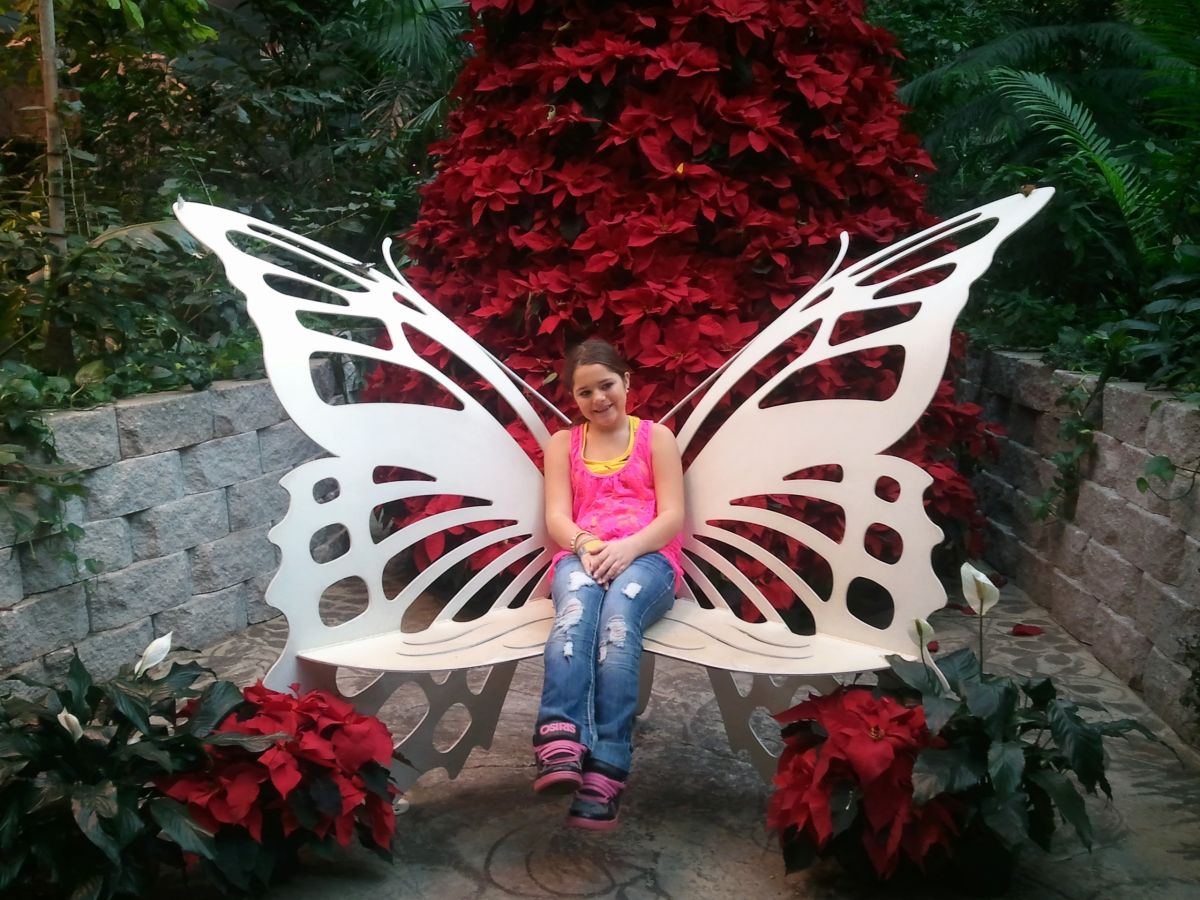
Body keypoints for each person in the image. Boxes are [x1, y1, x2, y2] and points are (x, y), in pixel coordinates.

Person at [533, 337, 685, 831]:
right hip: (584, 555)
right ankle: (561, 739)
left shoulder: (656, 438)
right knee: (575, 613)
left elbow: (672, 516)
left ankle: (609, 762)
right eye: (585, 392)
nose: (598, 399)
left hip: (649, 560)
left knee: (618, 622)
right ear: (573, 398)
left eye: (606, 385)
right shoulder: (563, 444)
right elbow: (557, 516)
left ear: (626, 382)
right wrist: (585, 545)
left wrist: (629, 549)